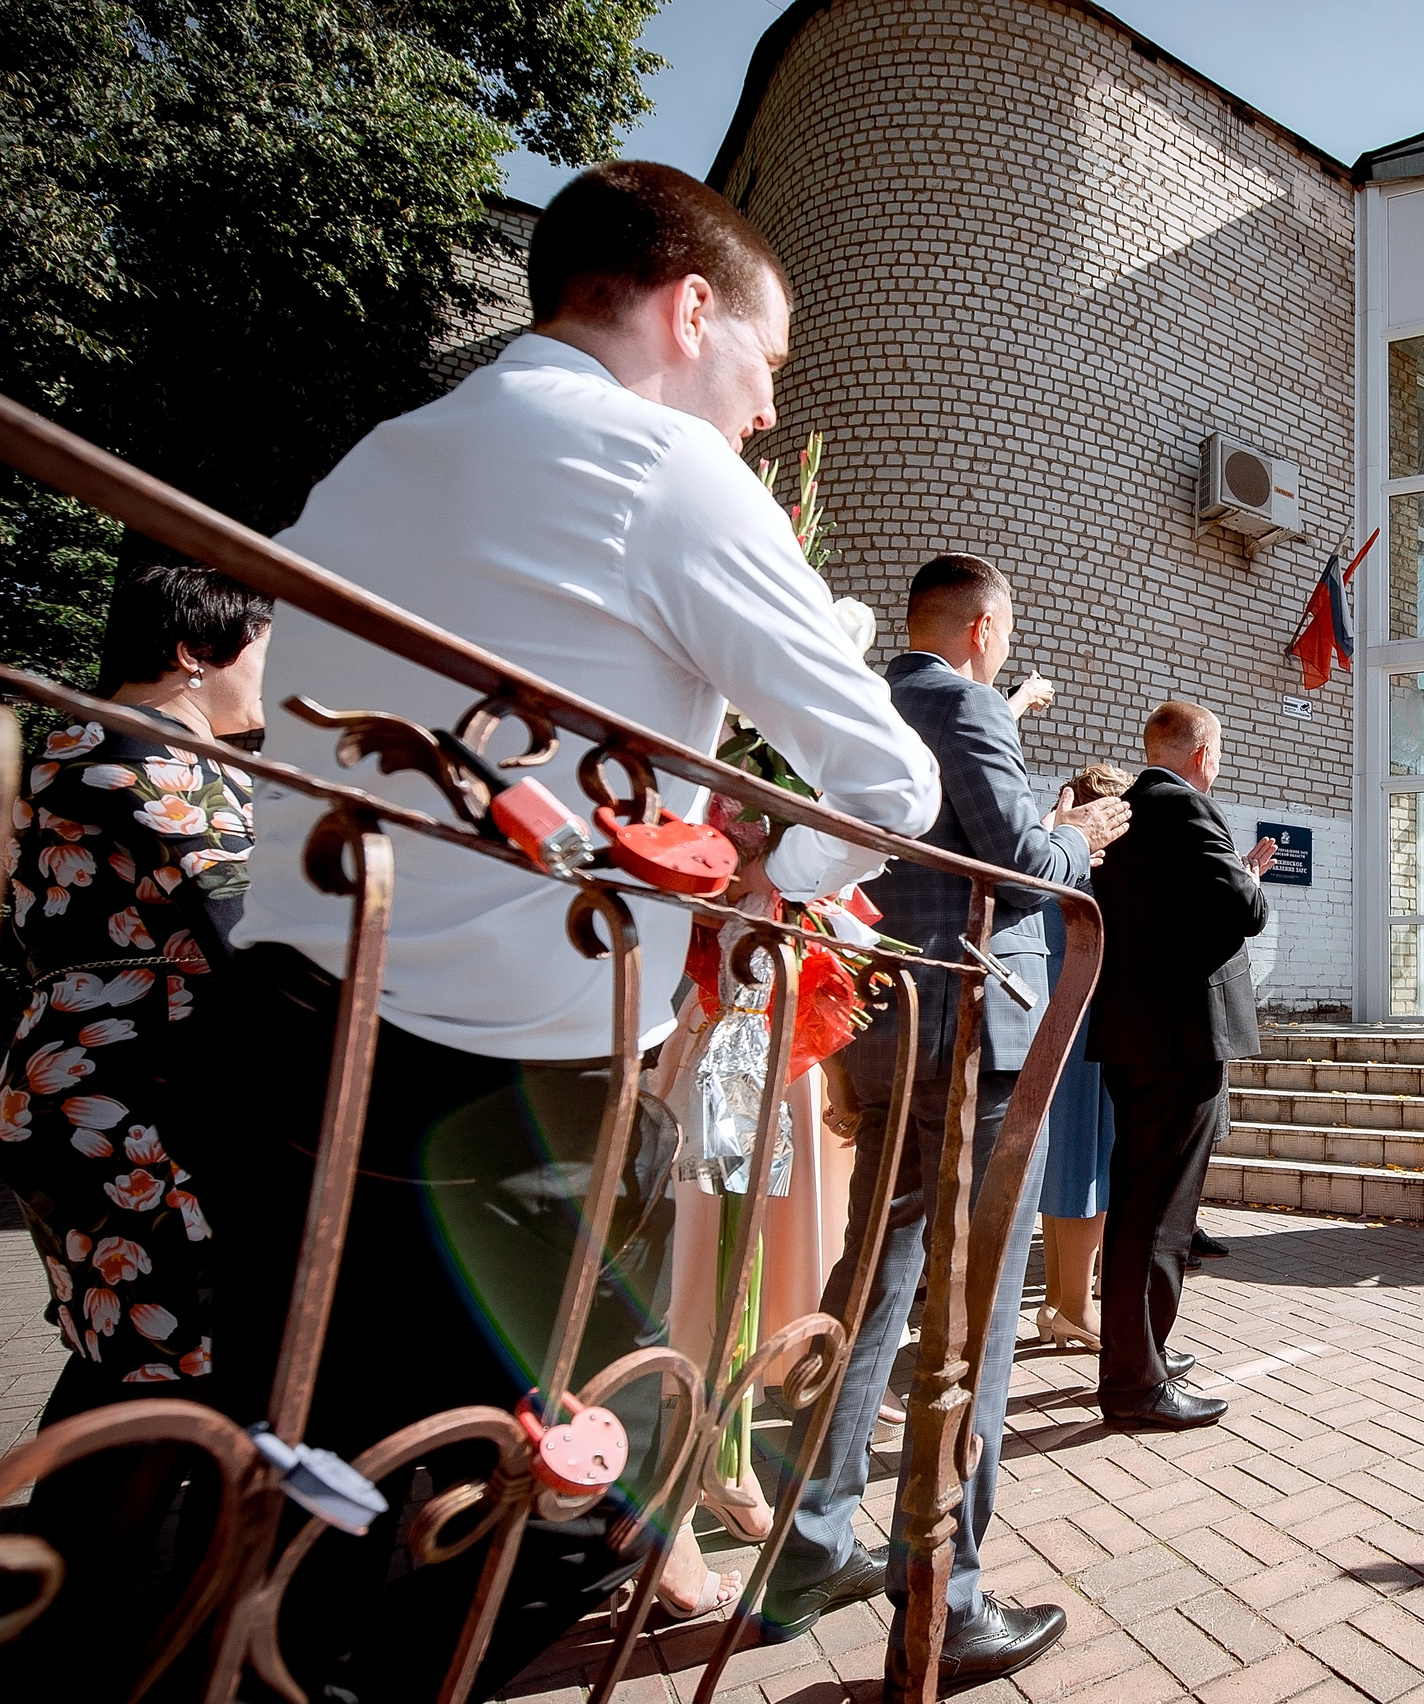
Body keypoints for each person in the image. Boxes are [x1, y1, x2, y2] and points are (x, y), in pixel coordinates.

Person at [213, 161, 942, 1701]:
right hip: (500, 1077)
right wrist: (757, 882)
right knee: (487, 1532)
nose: (761, 412)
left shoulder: (372, 462)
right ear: (691, 311)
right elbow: (891, 778)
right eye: (767, 366)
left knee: (315, 1483)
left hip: (285, 1023)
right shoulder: (667, 472)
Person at [762, 554, 1128, 1698]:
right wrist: (1084, 838)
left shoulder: (869, 697)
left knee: (870, 1281)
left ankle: (814, 1537)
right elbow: (1017, 864)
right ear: (980, 628)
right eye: (1004, 633)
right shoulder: (961, 699)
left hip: (885, 1028)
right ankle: (948, 1601)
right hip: (970, 1034)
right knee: (971, 1317)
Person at [2, 564, 269, 1693]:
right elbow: (255, 925)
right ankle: (74, 1635)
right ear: (196, 650)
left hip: (95, 1075)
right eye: (268, 641)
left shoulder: (90, 745)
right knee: (171, 1361)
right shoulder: (144, 757)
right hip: (132, 1088)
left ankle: (69, 1609)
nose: (281, 668)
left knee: (131, 1350)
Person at [1088, 702, 1274, 1431]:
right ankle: (1135, 1385)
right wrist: (1251, 881)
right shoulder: (1186, 808)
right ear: (1203, 753)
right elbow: (1241, 909)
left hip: (1136, 1035)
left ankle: (1140, 1355)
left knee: (1139, 1205)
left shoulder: (1128, 810)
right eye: (1219, 752)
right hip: (1179, 1040)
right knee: (1160, 1214)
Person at [1033, 761, 1135, 1353]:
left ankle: (1058, 1303)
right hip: (1087, 1032)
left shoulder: (1054, 860)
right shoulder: (1093, 876)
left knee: (1062, 1172)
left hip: (1053, 1030)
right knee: (1086, 1172)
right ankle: (1074, 1306)